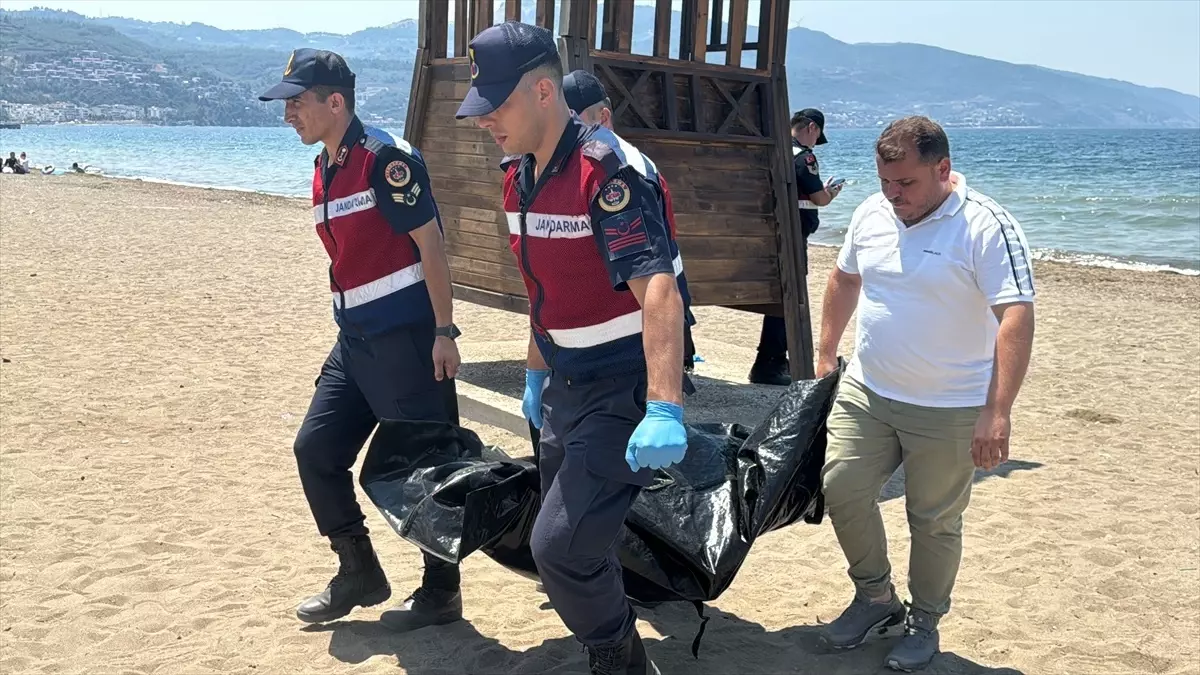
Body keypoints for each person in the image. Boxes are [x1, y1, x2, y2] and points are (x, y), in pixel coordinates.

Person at [457, 21, 689, 675]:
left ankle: (623, 659)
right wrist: (534, 376)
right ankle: (611, 641)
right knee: (578, 540)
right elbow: (546, 294)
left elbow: (660, 291)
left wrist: (665, 404)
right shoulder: (517, 182)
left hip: (621, 388)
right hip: (563, 384)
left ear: (541, 92)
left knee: (558, 547)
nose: (484, 123)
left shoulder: (604, 175)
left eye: (494, 106)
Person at [814, 116, 1036, 672]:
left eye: (906, 184)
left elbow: (1015, 315)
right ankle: (875, 598)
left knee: (932, 519)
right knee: (840, 487)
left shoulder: (986, 226)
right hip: (868, 388)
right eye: (886, 182)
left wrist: (997, 410)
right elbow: (844, 279)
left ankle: (924, 620)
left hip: (951, 406)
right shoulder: (871, 211)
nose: (893, 195)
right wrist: (824, 353)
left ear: (943, 169)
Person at [258, 48, 467, 633]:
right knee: (315, 451)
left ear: (335, 101)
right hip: (354, 341)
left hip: (405, 340)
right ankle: (358, 571)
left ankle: (442, 592)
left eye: (297, 103)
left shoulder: (386, 159)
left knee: (425, 468)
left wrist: (444, 332)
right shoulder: (325, 165)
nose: (289, 115)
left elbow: (432, 246)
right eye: (287, 104)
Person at [562, 69, 699, 376]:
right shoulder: (581, 163)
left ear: (603, 116)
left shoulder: (621, 167)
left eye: (572, 118)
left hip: (649, 299)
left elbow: (646, 265)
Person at [749, 108, 843, 386]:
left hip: (770, 228)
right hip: (794, 233)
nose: (815, 142)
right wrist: (832, 192)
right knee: (789, 295)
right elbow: (819, 198)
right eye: (817, 136)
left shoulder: (774, 150)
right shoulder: (803, 157)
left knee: (779, 294)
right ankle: (771, 362)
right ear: (811, 128)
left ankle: (769, 361)